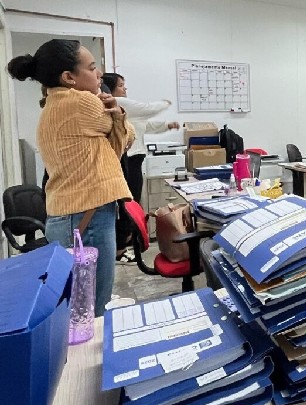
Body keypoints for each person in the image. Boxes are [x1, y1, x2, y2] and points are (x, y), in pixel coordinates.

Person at [8, 39, 132, 316]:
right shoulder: (81, 102)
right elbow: (126, 137)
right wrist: (118, 113)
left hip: (74, 214)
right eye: (91, 67)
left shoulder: (55, 102)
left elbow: (113, 147)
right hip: (86, 215)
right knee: (91, 308)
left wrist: (116, 119)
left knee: (77, 307)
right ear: (69, 77)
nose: (99, 73)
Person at [102, 72, 180, 203]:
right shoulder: (118, 102)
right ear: (110, 88)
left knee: (133, 198)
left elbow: (142, 125)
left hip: (134, 160)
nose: (125, 88)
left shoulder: (121, 109)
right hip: (129, 160)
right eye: (120, 85)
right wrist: (165, 103)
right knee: (131, 200)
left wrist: (166, 126)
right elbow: (147, 109)